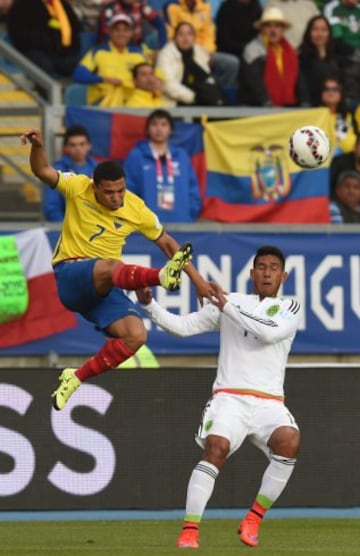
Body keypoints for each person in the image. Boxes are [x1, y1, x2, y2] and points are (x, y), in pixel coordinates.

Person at [21, 128, 214, 411]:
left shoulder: (135, 207)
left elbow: (167, 242)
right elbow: (43, 171)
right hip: (71, 275)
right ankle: (160, 277)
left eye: (121, 190)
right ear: (95, 187)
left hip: (103, 287)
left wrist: (197, 279)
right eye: (109, 192)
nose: (116, 197)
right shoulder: (77, 187)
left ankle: (75, 377)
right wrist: (37, 146)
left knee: (136, 335)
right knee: (110, 265)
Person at [137, 244, 302, 549]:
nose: (267, 273)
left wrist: (226, 306)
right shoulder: (232, 301)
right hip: (230, 398)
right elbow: (183, 327)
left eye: (273, 268)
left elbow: (267, 333)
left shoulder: (289, 308)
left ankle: (253, 518)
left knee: (289, 441)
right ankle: (190, 530)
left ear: (284, 275)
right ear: (252, 273)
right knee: (216, 447)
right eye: (261, 267)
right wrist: (150, 307)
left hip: (269, 403)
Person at [124, 109, 202, 222]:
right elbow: (128, 190)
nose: (159, 129)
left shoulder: (181, 156)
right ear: (147, 129)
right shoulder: (137, 156)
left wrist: (189, 216)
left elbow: (193, 189)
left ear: (171, 129)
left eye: (164, 124)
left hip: (182, 223)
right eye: (154, 124)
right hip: (147, 226)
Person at [72, 13, 147, 107]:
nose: (121, 34)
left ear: (131, 33)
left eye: (126, 30)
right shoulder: (98, 52)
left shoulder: (139, 54)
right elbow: (78, 75)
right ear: (110, 31)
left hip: (133, 102)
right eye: (117, 30)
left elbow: (151, 77)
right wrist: (103, 79)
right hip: (104, 103)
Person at [166, 0, 240, 94]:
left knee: (232, 63)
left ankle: (223, 96)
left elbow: (209, 32)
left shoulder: (205, 6)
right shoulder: (172, 7)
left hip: (204, 51)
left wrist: (208, 51)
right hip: (183, 51)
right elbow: (171, 33)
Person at [240, 7, 309, 107]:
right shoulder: (252, 50)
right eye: (268, 26)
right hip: (257, 107)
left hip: (286, 106)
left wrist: (304, 101)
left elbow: (298, 79)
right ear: (261, 29)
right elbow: (254, 82)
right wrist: (267, 102)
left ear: (283, 30)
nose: (273, 30)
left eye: (277, 26)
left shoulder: (289, 51)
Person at [156, 22, 226, 106]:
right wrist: (194, 97)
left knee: (217, 91)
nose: (185, 38)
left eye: (189, 34)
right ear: (174, 37)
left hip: (201, 95)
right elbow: (167, 85)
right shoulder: (166, 54)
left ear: (194, 38)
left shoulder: (200, 51)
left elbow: (207, 78)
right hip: (177, 100)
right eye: (181, 34)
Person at [7, 0, 81, 79]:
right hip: (34, 51)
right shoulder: (22, 5)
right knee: (44, 64)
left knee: (84, 64)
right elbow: (20, 35)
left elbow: (75, 27)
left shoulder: (61, 4)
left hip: (63, 53)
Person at [43, 124, 97, 222]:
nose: (78, 148)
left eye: (82, 144)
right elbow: (51, 208)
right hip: (68, 230)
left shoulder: (98, 169)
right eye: (73, 145)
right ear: (66, 148)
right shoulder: (56, 172)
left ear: (89, 146)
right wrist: (66, 228)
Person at [298, 15, 340, 106]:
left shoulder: (334, 56)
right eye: (315, 29)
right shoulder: (301, 58)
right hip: (312, 108)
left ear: (329, 33)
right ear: (308, 32)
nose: (319, 34)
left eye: (324, 30)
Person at [97, 0, 167, 50]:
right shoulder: (110, 8)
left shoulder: (141, 6)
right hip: (114, 49)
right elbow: (105, 34)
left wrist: (161, 49)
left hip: (135, 47)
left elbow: (161, 25)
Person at [319, 76, 357, 155]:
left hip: (345, 157)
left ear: (341, 94)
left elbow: (352, 143)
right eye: (326, 89)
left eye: (335, 89)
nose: (330, 92)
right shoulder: (315, 117)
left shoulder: (348, 116)